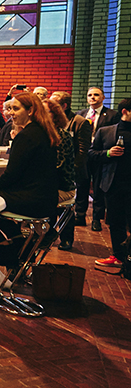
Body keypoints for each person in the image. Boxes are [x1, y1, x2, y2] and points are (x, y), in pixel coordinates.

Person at [0, 93, 59, 268]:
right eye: (10, 108)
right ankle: (18, 243)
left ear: (30, 111)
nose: (10, 112)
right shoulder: (42, 131)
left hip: (33, 200)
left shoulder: (27, 135)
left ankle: (5, 249)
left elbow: (12, 173)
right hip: (44, 198)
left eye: (16, 108)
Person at [88, 98, 131, 269]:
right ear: (125, 111)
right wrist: (107, 153)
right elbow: (91, 154)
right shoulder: (106, 132)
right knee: (116, 222)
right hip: (114, 184)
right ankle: (119, 257)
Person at [50, 91, 92, 250]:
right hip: (54, 173)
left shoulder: (79, 121)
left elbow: (82, 151)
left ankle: (67, 239)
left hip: (71, 172)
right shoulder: (50, 123)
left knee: (67, 209)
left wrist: (71, 171)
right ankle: (51, 234)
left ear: (64, 106)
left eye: (54, 104)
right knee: (52, 207)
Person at [76, 87, 120, 231]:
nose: (92, 97)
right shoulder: (81, 114)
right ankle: (80, 215)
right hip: (84, 154)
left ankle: (96, 218)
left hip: (100, 154)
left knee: (98, 188)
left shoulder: (112, 115)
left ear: (103, 98)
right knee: (82, 184)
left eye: (96, 95)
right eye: (90, 95)